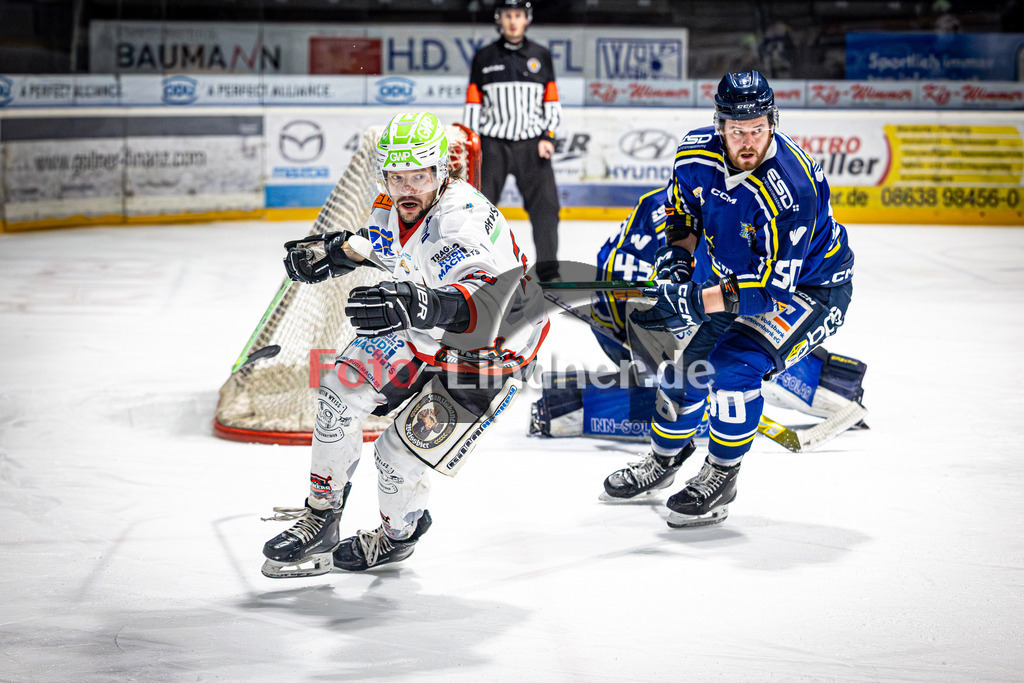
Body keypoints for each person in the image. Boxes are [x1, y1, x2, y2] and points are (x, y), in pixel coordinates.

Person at [261, 111, 549, 578]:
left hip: (489, 353)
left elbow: (486, 306)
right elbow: (379, 243)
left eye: (419, 176)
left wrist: (417, 304)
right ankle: (321, 517)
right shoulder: (393, 202)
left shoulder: (462, 221)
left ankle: (398, 536)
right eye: (397, 176)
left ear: (442, 171)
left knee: (396, 454)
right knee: (338, 394)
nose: (407, 187)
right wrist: (334, 253)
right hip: (425, 327)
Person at [601, 71, 855, 528]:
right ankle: (665, 460)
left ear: (772, 122)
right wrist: (677, 266)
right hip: (738, 281)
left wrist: (695, 302)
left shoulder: (791, 188)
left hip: (812, 290)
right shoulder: (693, 152)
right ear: (720, 125)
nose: (748, 140)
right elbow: (682, 216)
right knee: (683, 371)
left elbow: (772, 293)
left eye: (758, 128)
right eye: (737, 129)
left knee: (734, 367)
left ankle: (722, 475)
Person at [463, 0, 562, 282]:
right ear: (500, 19)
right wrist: (473, 142)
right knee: (478, 210)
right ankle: (476, 268)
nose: (513, 21)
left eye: (518, 15)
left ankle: (549, 272)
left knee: (547, 209)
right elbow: (473, 104)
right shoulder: (484, 57)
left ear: (527, 19)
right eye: (508, 15)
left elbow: (551, 102)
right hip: (492, 147)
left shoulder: (541, 55)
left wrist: (548, 136)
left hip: (533, 147)